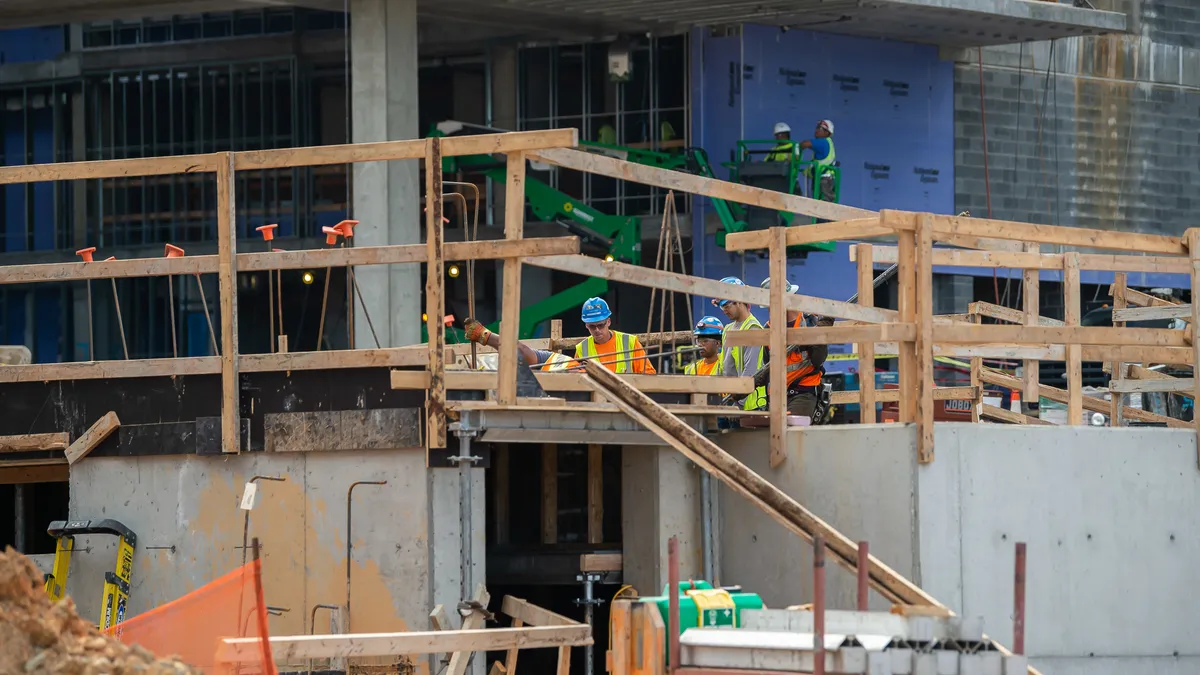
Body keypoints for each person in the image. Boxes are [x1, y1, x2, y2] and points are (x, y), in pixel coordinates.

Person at [758, 277, 832, 420]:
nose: (768, 309)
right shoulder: (768, 328)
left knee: (790, 434)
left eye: (770, 304)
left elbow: (818, 360)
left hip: (803, 392)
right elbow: (768, 367)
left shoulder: (809, 323)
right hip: (777, 395)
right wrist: (753, 382)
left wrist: (820, 338)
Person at [712, 276, 766, 409]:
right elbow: (723, 366)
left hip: (750, 406)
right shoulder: (728, 329)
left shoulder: (753, 328)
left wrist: (737, 402)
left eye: (726, 305)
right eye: (721, 307)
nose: (724, 310)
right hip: (730, 402)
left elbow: (750, 371)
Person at [574, 297, 656, 374]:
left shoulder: (630, 342)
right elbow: (577, 381)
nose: (597, 330)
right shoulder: (582, 349)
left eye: (600, 325)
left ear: (608, 322)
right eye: (592, 326)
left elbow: (648, 374)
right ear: (586, 326)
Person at [462, 318, 577, 371]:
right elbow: (521, 352)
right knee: (522, 353)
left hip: (573, 374)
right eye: (592, 325)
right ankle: (485, 335)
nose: (596, 329)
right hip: (566, 366)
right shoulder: (580, 352)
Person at [796, 119, 837, 199]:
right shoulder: (827, 143)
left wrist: (796, 151)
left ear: (827, 132)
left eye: (820, 128)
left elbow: (805, 144)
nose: (816, 130)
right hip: (824, 178)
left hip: (824, 180)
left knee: (823, 206)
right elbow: (819, 162)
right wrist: (807, 171)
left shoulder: (823, 142)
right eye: (817, 127)